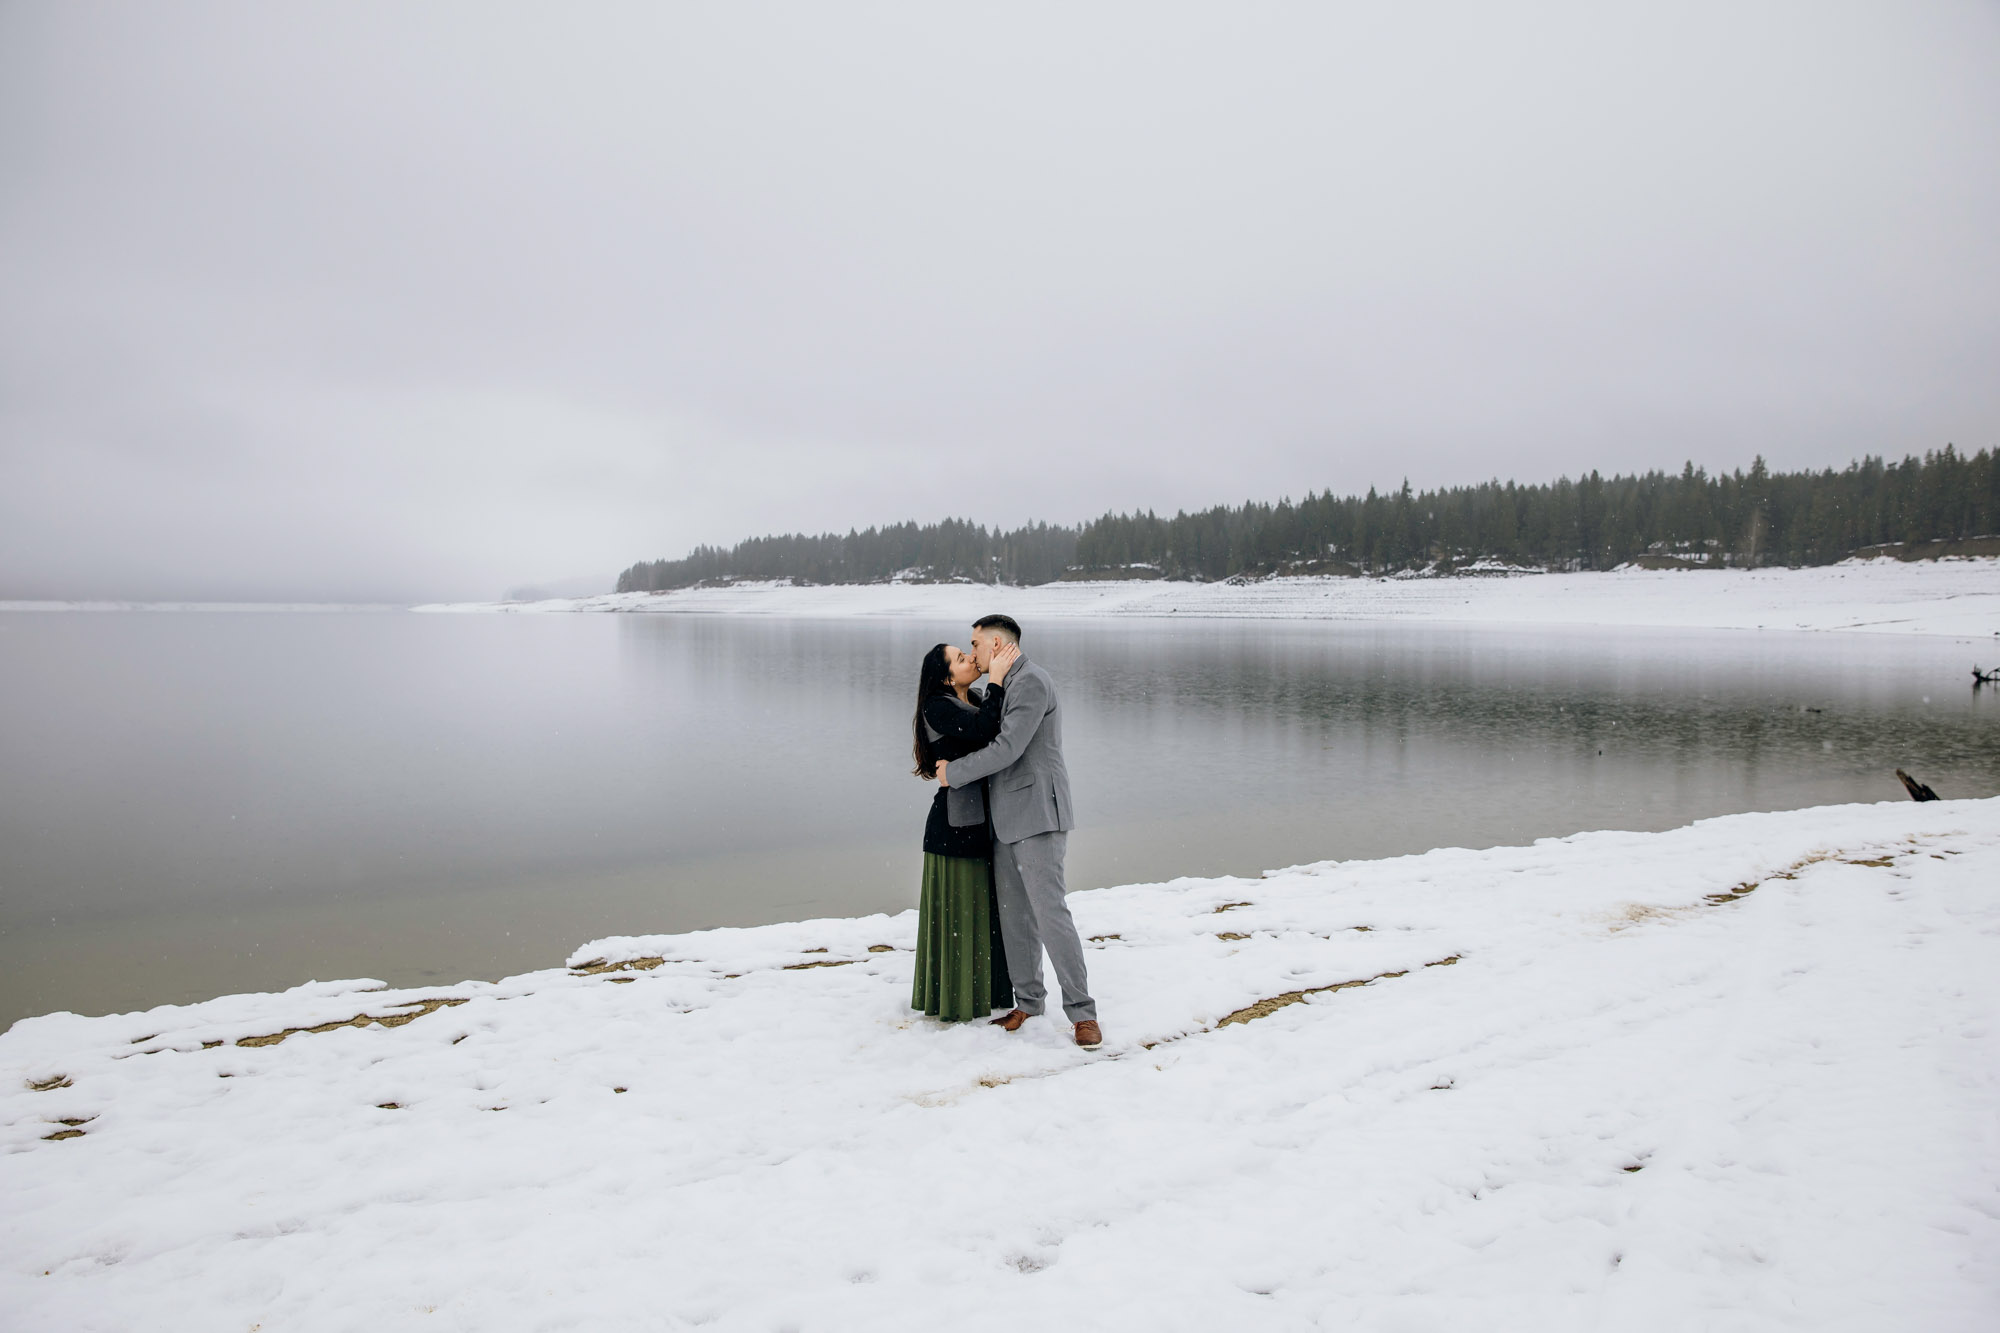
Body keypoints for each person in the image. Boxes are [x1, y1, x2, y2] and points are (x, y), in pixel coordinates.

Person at [939, 614, 1101, 1049]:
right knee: (1015, 917)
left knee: (1050, 914)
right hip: (1004, 820)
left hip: (1037, 815)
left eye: (975, 643)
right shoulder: (1000, 683)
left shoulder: (1030, 682)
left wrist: (952, 773)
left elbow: (1008, 749)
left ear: (995, 643)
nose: (971, 652)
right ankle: (1028, 1002)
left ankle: (1083, 1013)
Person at [909, 641, 1017, 1022]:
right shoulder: (937, 706)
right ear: (945, 675)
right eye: (960, 658)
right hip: (953, 829)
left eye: (966, 652)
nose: (970, 658)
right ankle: (957, 999)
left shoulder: (969, 698)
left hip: (982, 822)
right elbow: (985, 728)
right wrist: (998, 680)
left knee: (984, 911)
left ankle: (989, 992)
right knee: (959, 915)